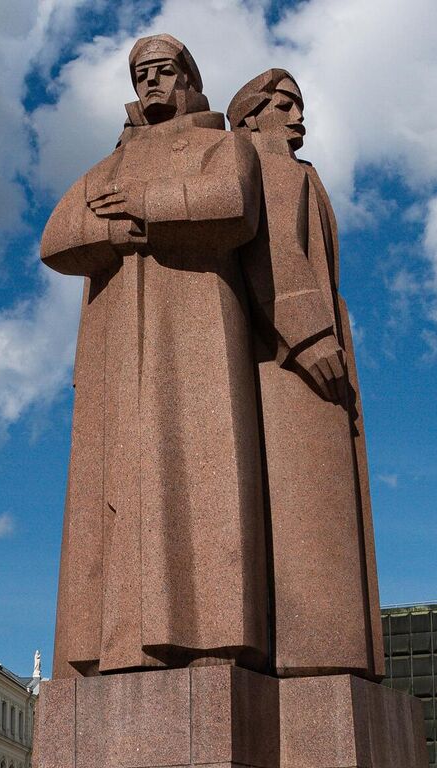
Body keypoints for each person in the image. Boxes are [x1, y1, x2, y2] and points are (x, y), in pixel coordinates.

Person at [41, 34, 269, 676]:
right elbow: (56, 238)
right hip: (116, 349)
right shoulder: (108, 165)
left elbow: (233, 204)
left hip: (199, 334)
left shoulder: (222, 145)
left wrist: (145, 208)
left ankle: (212, 632)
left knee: (204, 473)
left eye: (163, 70)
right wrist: (118, 229)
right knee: (114, 488)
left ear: (188, 78)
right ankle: (114, 643)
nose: (150, 82)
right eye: (141, 73)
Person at [229, 68, 383, 679]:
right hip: (289, 360)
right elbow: (272, 252)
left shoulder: (300, 171)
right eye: (285, 105)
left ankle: (330, 654)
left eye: (300, 106)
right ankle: (319, 655)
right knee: (308, 510)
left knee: (326, 510)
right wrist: (312, 334)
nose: (298, 117)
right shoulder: (268, 165)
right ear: (252, 116)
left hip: (302, 349)